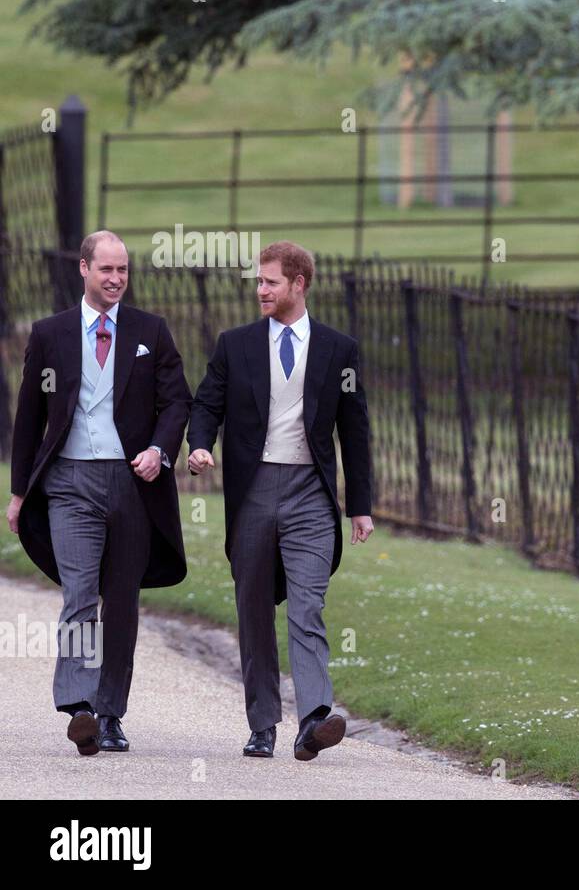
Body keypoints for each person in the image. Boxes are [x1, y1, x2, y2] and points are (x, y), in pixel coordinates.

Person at [7, 230, 192, 754]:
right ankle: (80, 705)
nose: (115, 279)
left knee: (122, 604)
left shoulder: (150, 332)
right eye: (106, 269)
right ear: (83, 269)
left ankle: (111, 714)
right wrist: (20, 493)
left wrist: (160, 450)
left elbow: (177, 402)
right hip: (69, 484)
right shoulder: (51, 334)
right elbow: (31, 419)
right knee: (80, 596)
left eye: (123, 271)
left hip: (134, 485)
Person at [187, 240, 373, 761]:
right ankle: (263, 723)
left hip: (312, 494)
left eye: (270, 281)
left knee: (308, 605)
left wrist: (360, 505)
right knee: (252, 607)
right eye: (258, 281)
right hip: (254, 490)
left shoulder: (340, 349)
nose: (261, 290)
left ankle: (314, 717)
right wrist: (199, 444)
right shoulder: (235, 344)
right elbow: (207, 402)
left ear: (299, 284)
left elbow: (354, 429)